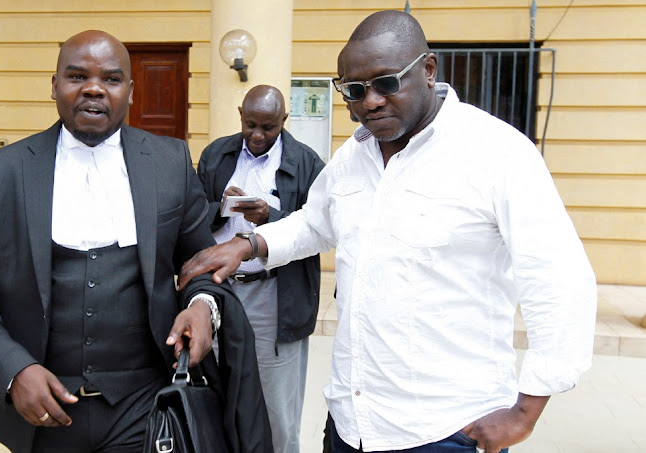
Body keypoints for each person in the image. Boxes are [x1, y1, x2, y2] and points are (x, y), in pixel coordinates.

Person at [178, 10, 597, 453]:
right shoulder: (352, 155)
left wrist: (524, 413)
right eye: (355, 91)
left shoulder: (497, 152)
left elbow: (559, 279)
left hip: (446, 429)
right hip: (350, 422)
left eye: (386, 83)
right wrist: (248, 244)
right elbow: (315, 221)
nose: (370, 102)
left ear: (428, 69)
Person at [0, 30, 272, 453]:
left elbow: (199, 263)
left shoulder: (169, 162)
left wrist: (202, 306)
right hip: (42, 411)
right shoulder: (2, 172)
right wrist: (12, 369)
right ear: (55, 85)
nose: (94, 88)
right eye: (77, 76)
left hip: (145, 408)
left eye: (111, 79)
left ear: (131, 92)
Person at [197, 85, 325, 453]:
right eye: (249, 124)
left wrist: (272, 217)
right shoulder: (215, 155)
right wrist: (221, 208)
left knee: (276, 408)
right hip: (220, 290)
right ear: (240, 114)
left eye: (267, 127)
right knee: (217, 393)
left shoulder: (306, 162)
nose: (256, 135)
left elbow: (320, 229)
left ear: (284, 121)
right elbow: (190, 216)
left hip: (275, 294)